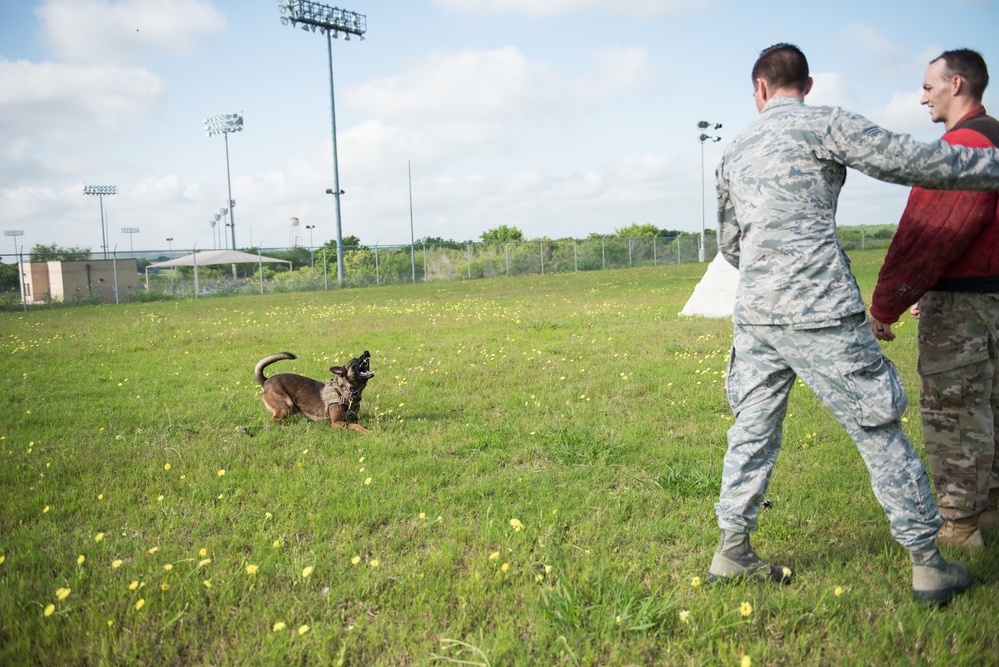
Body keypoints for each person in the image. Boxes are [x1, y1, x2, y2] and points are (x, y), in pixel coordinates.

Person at [710, 43, 999, 604]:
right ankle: (926, 562)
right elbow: (914, 162)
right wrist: (992, 163)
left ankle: (732, 546)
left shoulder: (734, 149)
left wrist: (770, 275)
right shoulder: (826, 124)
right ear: (808, 85)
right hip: (820, 308)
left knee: (752, 429)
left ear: (760, 91)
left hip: (757, 313)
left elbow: (728, 242)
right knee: (877, 424)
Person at [870, 49, 999, 549]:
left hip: (963, 309)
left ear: (957, 84)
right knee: (990, 406)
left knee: (957, 413)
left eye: (929, 87)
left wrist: (886, 305)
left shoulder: (962, 146)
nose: (922, 96)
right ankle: (989, 509)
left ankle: (960, 528)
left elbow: (929, 234)